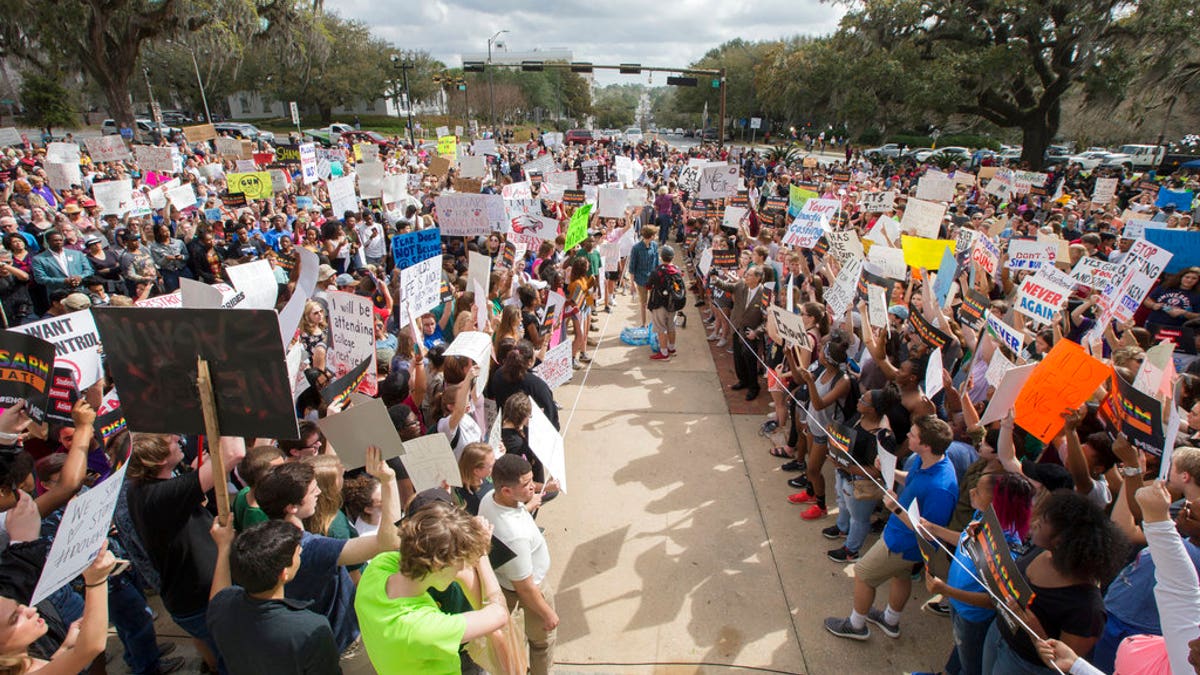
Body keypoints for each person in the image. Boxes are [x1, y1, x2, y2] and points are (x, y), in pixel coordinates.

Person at [254, 447, 400, 654]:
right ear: (291, 507)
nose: (320, 493)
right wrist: (388, 481)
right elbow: (388, 542)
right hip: (344, 643)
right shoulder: (309, 548)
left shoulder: (262, 537)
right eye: (313, 492)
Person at [824, 415, 958, 641]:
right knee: (900, 576)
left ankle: (856, 625)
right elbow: (912, 479)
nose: (907, 435)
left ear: (926, 445)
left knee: (863, 574)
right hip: (899, 536)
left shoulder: (941, 487)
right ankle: (890, 620)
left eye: (913, 435)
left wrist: (895, 509)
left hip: (902, 543)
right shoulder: (925, 459)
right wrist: (891, 472)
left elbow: (928, 532)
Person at [124, 434, 246, 671]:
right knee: (235, 661)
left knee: (212, 648)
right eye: (169, 442)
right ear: (158, 460)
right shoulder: (162, 495)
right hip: (203, 602)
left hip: (186, 600)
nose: (177, 440)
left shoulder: (141, 489)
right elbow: (235, 453)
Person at [981, 490, 1127, 674]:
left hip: (1025, 665)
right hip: (999, 633)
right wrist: (981, 542)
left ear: (1059, 542)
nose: (1033, 524)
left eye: (1040, 524)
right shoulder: (1042, 550)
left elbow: (1061, 664)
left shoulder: (1087, 609)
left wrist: (1034, 630)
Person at [354, 501, 508, 674]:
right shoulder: (422, 628)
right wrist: (482, 554)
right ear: (438, 566)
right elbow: (499, 614)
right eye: (460, 562)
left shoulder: (377, 568)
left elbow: (418, 543)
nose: (461, 568)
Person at [207, 518, 342, 675]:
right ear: (283, 574)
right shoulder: (311, 629)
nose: (301, 552)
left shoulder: (222, 608)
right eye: (297, 553)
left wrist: (224, 548)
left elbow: (217, 596)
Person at [480, 454, 557, 675]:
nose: (533, 487)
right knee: (542, 643)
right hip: (528, 591)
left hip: (503, 580)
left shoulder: (489, 498)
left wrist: (527, 506)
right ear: (506, 490)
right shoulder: (515, 536)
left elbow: (513, 511)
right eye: (526, 485)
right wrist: (548, 614)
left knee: (515, 639)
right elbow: (525, 586)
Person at [0, 541, 117, 674]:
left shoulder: (23, 663)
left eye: (19, 605)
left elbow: (49, 668)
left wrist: (65, 648)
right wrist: (97, 580)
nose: (31, 610)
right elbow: (90, 648)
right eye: (14, 618)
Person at [711, 266, 766, 400]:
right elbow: (727, 286)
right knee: (738, 357)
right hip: (736, 327)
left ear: (758, 278)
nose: (745, 277)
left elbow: (767, 319)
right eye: (746, 274)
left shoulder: (765, 294)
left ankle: (753, 386)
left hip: (751, 331)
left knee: (749, 357)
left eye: (749, 275)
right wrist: (715, 278)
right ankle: (743, 380)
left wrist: (757, 332)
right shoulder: (741, 285)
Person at [645, 244, 682, 360]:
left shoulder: (657, 271)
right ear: (673, 257)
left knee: (661, 329)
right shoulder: (677, 271)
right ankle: (672, 348)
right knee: (671, 327)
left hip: (659, 304)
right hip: (673, 304)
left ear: (661, 257)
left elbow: (648, 286)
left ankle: (664, 353)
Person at [627, 226, 659, 327]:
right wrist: (632, 284)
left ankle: (655, 323)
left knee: (654, 302)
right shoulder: (636, 248)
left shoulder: (654, 245)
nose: (655, 236)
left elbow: (657, 263)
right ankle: (644, 323)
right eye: (654, 235)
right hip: (641, 280)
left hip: (653, 279)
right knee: (643, 303)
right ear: (650, 236)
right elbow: (632, 267)